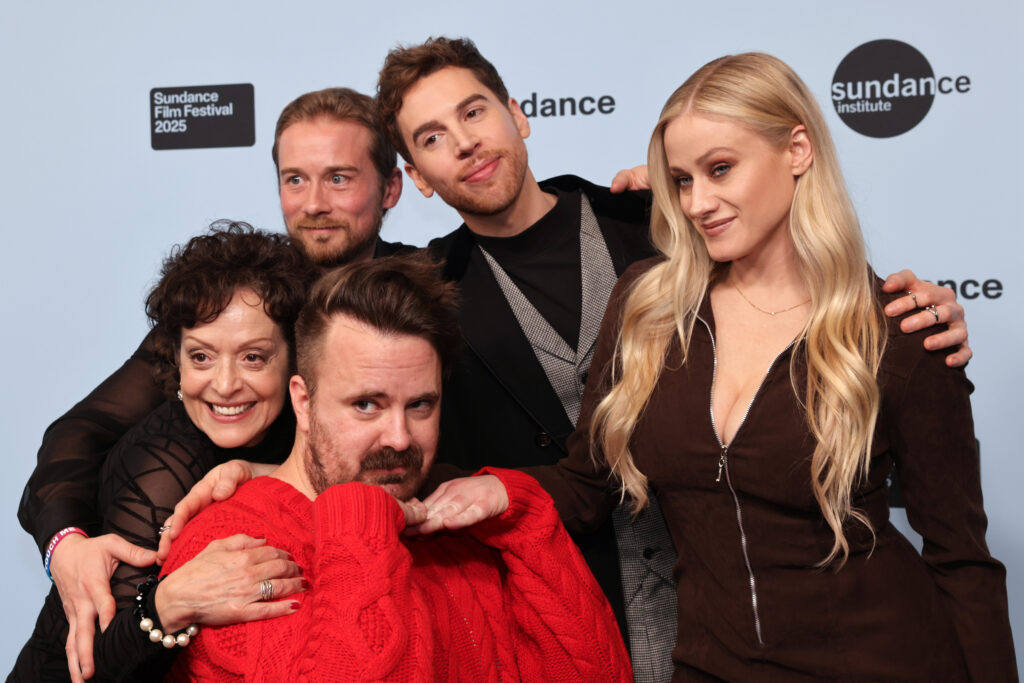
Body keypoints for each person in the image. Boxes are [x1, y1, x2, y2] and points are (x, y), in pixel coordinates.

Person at [161, 37, 972, 683]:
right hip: (569, 600)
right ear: (419, 179)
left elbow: (802, 292)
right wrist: (246, 472)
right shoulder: (427, 292)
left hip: (731, 595)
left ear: (518, 112)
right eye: (431, 139)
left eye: (474, 112)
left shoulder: (657, 221)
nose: (465, 145)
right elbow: (317, 377)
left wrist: (917, 306)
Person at [442, 52, 1015, 680]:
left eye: (721, 169)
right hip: (708, 666)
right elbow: (588, 482)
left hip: (886, 660)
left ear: (797, 150)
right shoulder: (649, 308)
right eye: (683, 180)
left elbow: (961, 560)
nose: (698, 202)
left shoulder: (898, 331)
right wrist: (487, 490)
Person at [16, 88, 409, 682]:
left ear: (391, 188)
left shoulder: (417, 294)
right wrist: (66, 544)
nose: (314, 204)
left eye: (339, 178)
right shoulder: (239, 303)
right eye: (295, 180)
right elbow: (80, 430)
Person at [159, 254, 632, 681]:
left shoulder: (459, 529)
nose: (401, 439)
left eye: (421, 405)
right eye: (367, 404)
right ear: (303, 402)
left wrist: (525, 519)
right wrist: (360, 517)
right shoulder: (228, 549)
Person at [10, 223, 317, 681]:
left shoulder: (310, 412)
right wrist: (67, 546)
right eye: (201, 357)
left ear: (298, 360)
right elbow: (100, 662)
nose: (226, 384)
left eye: (253, 357)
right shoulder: (163, 472)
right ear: (174, 356)